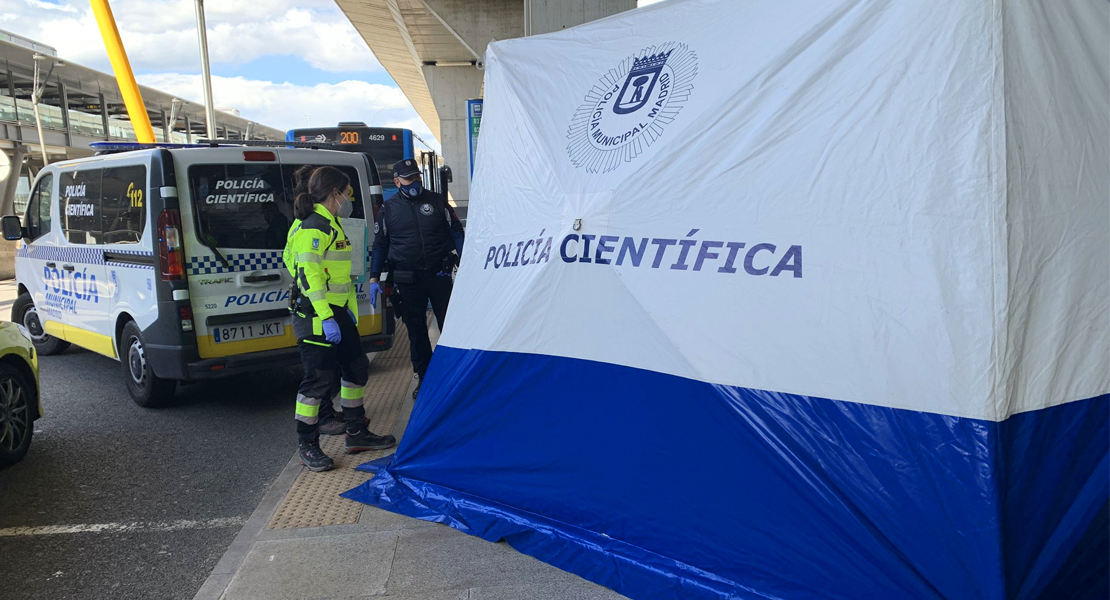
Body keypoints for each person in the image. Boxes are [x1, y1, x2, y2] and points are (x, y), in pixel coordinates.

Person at [283, 166, 396, 472]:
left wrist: (344, 309)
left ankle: (356, 432)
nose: (349, 197)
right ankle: (308, 445)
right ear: (334, 193)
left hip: (335, 312)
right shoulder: (312, 227)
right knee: (316, 383)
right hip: (317, 316)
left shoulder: (330, 223)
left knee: (356, 368)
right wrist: (327, 315)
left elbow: (332, 274)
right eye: (346, 192)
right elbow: (308, 275)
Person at [369, 159, 464, 399]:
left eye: (416, 177)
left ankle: (455, 373)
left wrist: (467, 259)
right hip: (407, 280)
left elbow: (456, 232)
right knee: (416, 331)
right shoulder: (388, 210)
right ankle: (425, 377)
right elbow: (380, 245)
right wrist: (373, 278)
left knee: (450, 326)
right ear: (397, 181)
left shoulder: (436, 201)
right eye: (408, 179)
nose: (414, 183)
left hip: (439, 274)